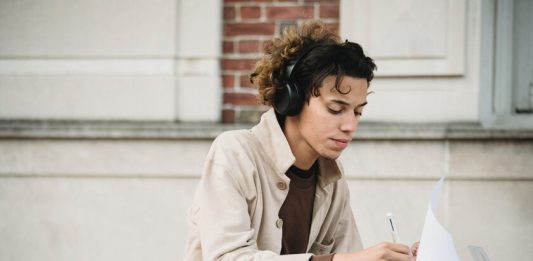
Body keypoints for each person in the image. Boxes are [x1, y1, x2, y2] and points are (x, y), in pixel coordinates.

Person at [185, 20, 418, 261]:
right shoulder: (235, 154)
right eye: (336, 109)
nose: (350, 126)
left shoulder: (332, 181)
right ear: (291, 100)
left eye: (357, 112)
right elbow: (227, 258)